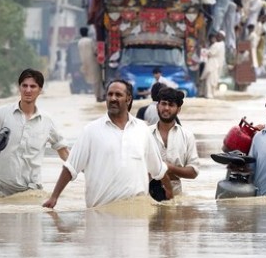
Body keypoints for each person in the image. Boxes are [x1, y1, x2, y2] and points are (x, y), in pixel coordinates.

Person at [42, 80, 173, 209]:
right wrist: (54, 197)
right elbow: (70, 168)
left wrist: (170, 194)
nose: (113, 98)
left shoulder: (142, 129)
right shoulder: (91, 131)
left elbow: (158, 169)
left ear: (128, 99)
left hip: (136, 217)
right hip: (101, 215)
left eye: (118, 95)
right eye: (110, 94)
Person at [0, 69, 69, 198]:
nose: (28, 90)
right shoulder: (1, 114)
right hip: (1, 190)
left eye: (33, 86)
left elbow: (64, 152)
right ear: (19, 88)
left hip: (31, 192)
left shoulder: (48, 121)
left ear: (40, 90)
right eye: (24, 86)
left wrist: (86, 170)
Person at [150, 88, 200, 196]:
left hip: (175, 197)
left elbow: (193, 171)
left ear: (178, 109)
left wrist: (170, 168)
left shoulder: (187, 136)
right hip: (146, 195)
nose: (166, 108)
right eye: (163, 104)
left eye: (171, 105)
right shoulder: (145, 134)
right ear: (157, 106)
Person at [78, 27, 103, 102]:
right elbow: (95, 50)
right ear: (87, 33)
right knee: (97, 80)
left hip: (84, 63)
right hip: (93, 62)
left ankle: (97, 96)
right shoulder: (90, 41)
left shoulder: (79, 42)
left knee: (93, 81)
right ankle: (98, 97)